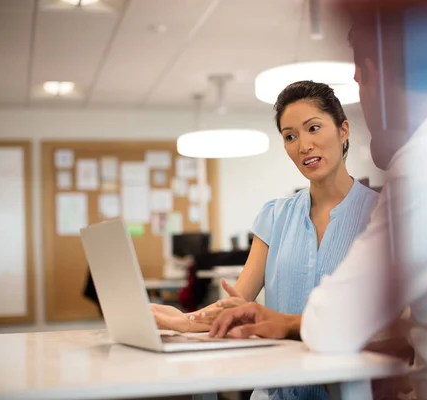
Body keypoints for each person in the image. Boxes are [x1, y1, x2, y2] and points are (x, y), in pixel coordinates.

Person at [209, 4, 427, 400]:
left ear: (372, 75)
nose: (304, 145)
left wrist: (289, 323)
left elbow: (334, 323)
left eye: (359, 82)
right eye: (291, 136)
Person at [151, 80, 379, 399]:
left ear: (343, 131)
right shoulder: (275, 216)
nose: (304, 145)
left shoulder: (380, 217)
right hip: (276, 391)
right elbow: (237, 302)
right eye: (290, 136)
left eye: (313, 128)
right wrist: (184, 321)